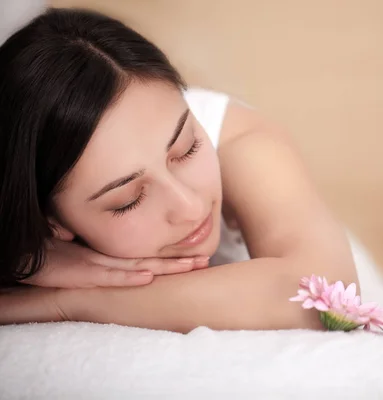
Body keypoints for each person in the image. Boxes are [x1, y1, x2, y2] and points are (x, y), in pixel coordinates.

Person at [0, 8, 358, 333]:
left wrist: (70, 301)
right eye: (129, 199)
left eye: (187, 148)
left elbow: (326, 294)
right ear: (52, 222)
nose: (189, 207)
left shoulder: (238, 139)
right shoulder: (20, 200)